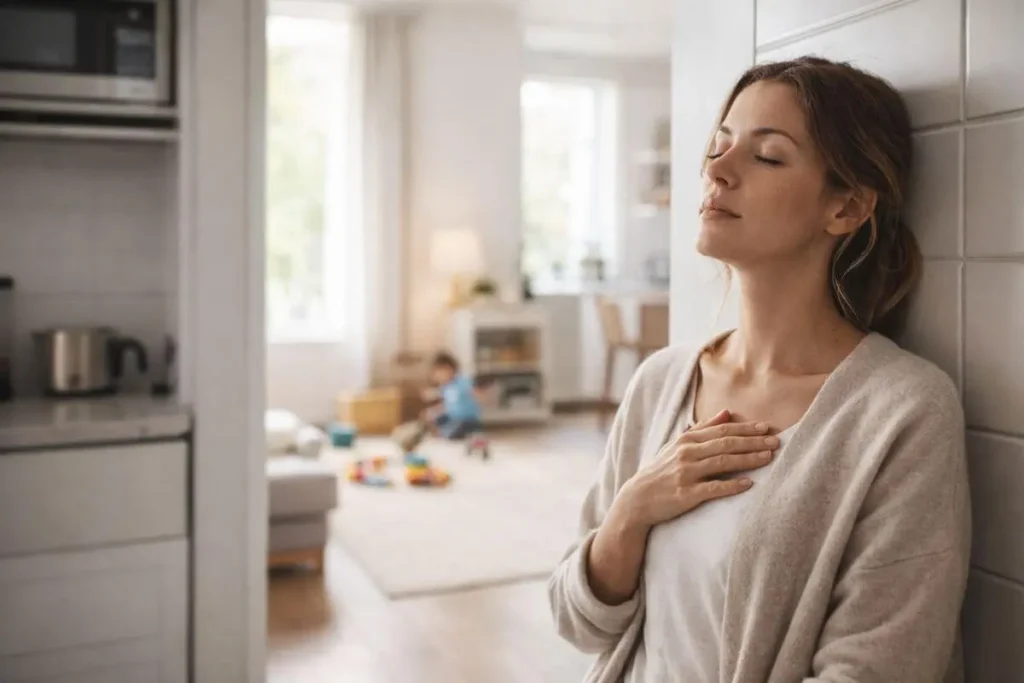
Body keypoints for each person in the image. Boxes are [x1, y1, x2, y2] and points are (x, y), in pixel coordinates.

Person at [549, 56, 971, 683]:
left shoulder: (903, 411)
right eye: (719, 146)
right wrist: (631, 512)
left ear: (847, 208)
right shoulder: (660, 382)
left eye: (767, 156)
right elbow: (580, 623)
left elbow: (877, 668)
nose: (716, 169)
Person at [422, 351, 482, 440]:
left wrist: (477, 394)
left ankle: (447, 433)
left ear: (449, 369)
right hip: (453, 418)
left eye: (438, 373)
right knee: (434, 416)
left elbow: (474, 391)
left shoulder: (461, 382)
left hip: (467, 420)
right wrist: (432, 412)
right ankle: (442, 432)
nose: (436, 378)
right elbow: (448, 405)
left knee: (454, 430)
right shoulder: (445, 387)